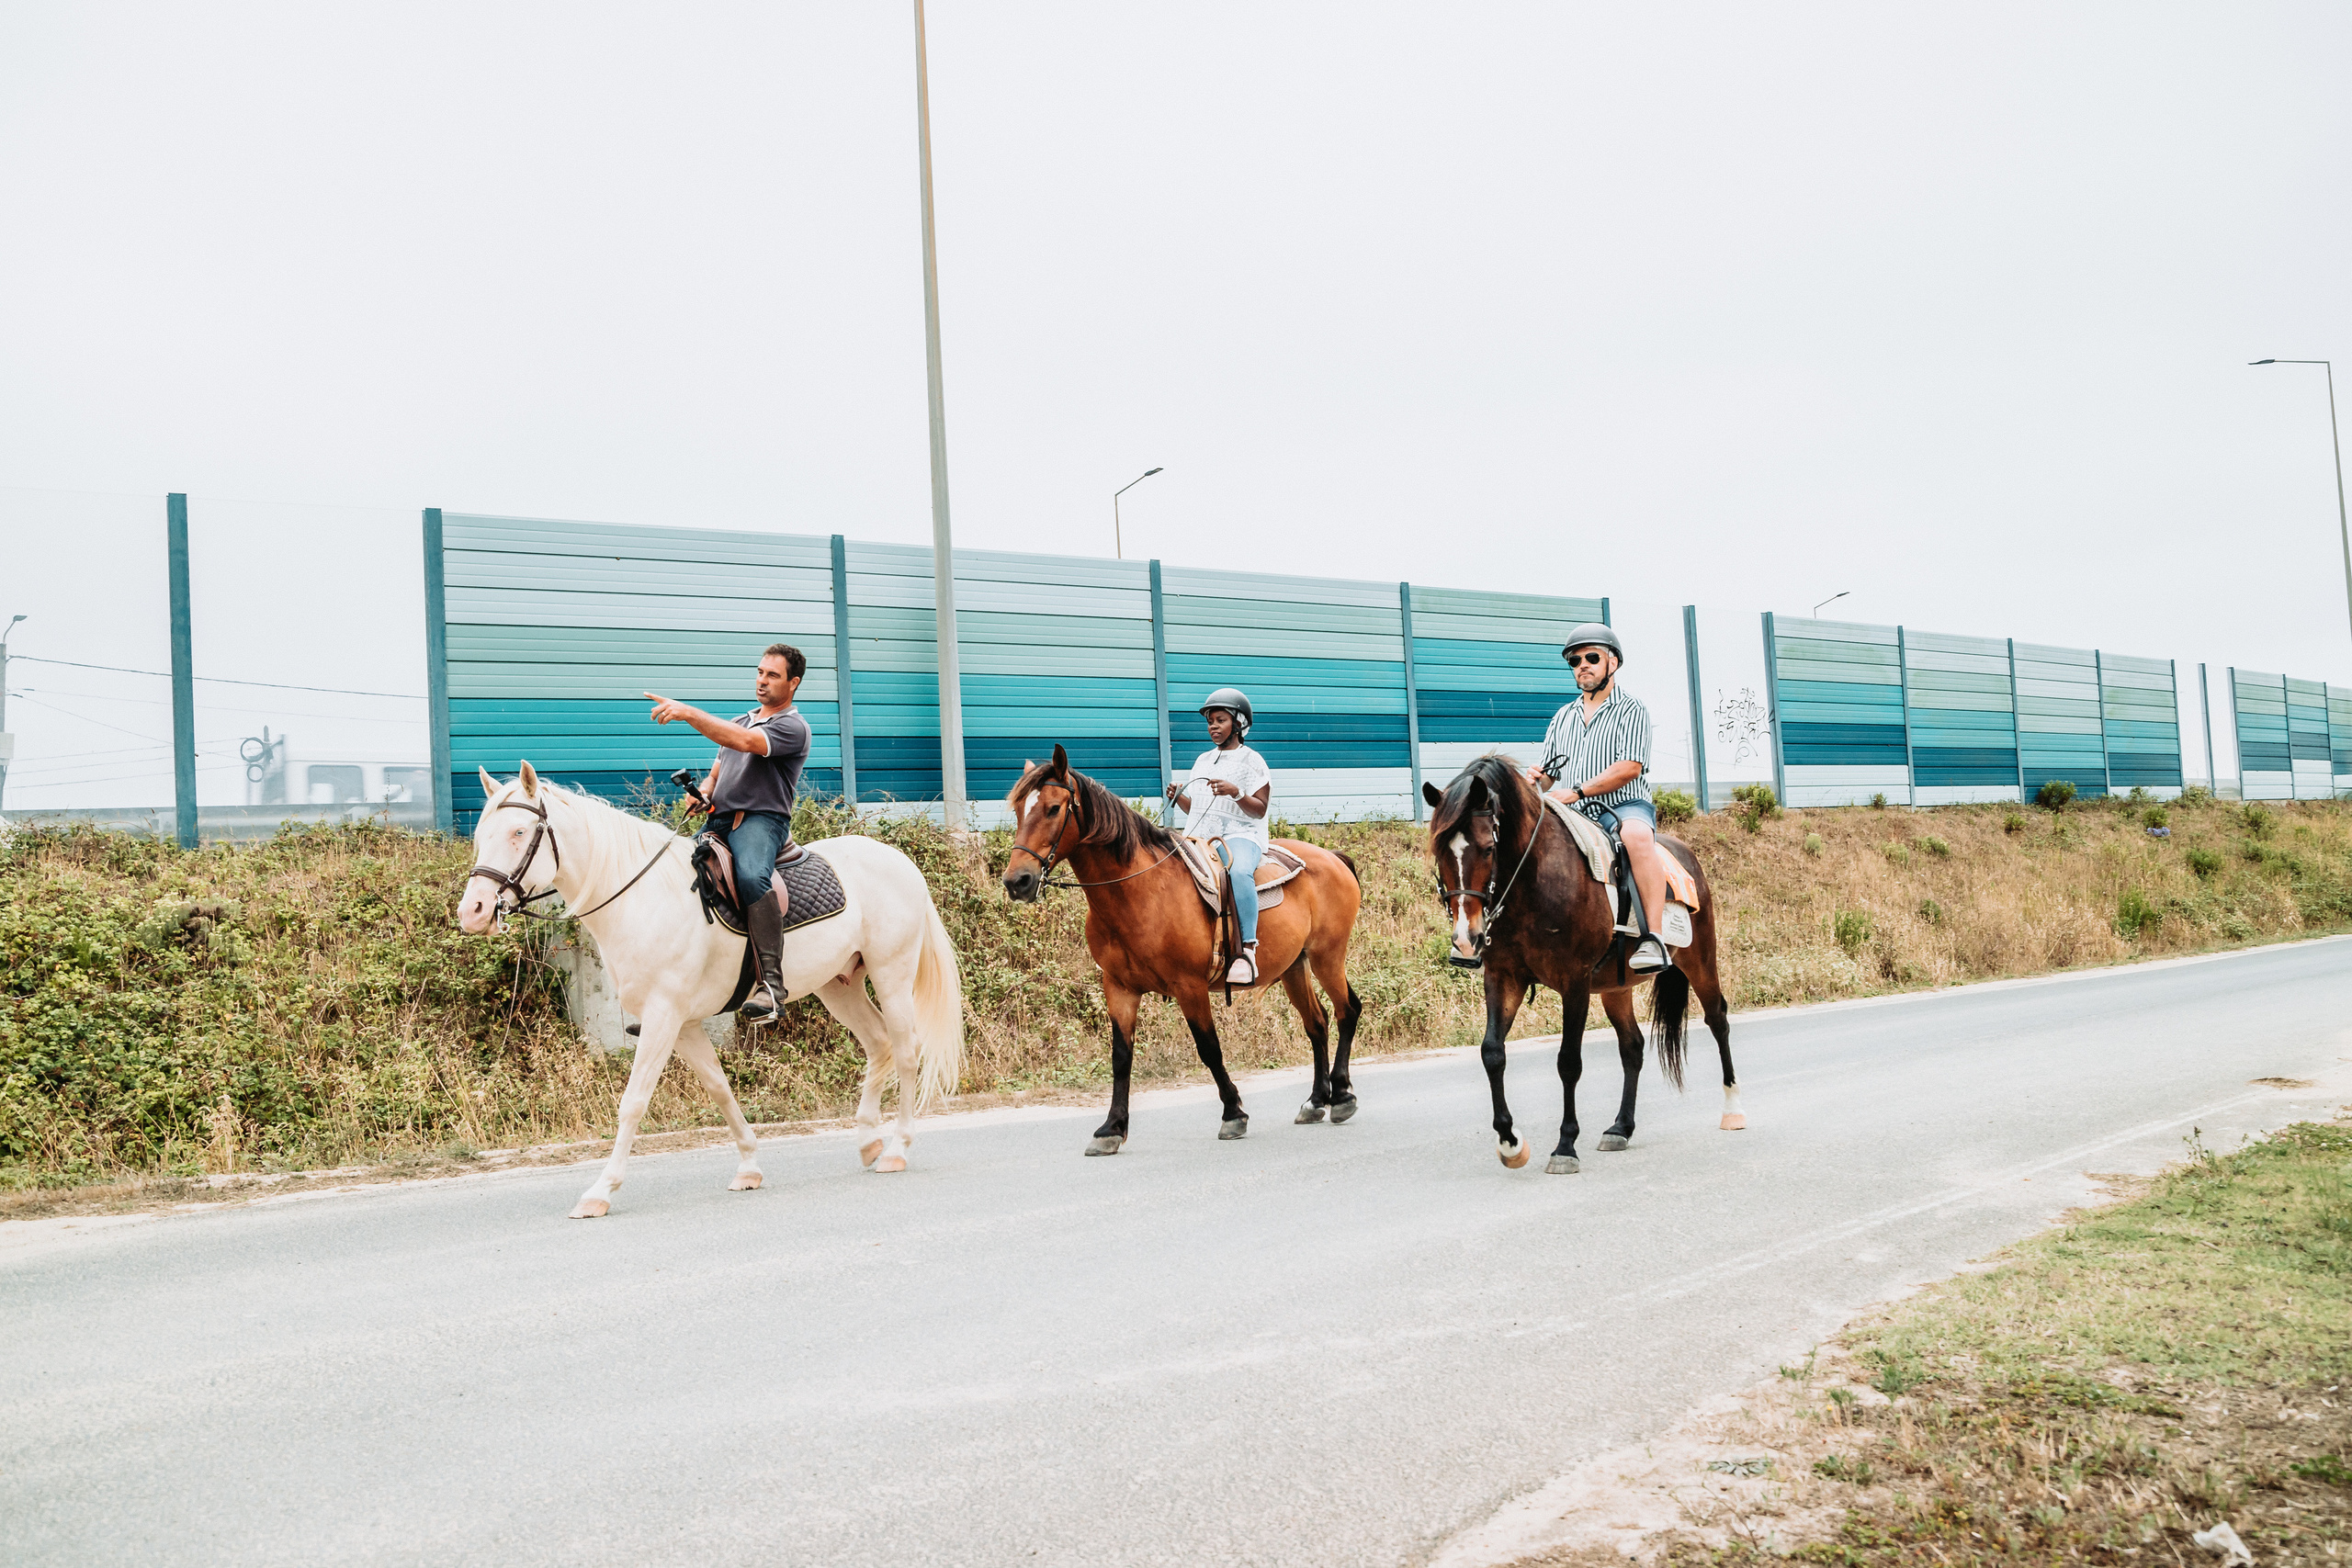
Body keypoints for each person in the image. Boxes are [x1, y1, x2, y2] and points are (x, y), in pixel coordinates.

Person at [645, 643, 812, 1020]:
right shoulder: (740, 720)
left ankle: (772, 987)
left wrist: (688, 713)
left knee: (753, 877)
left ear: (793, 683)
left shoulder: (793, 727)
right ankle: (670, 991)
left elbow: (745, 744)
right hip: (718, 821)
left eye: (773, 675)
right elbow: (718, 773)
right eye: (759, 672)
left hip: (760, 821)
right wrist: (703, 793)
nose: (762, 681)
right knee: (673, 879)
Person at [1531, 624, 1672, 974]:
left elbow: (1630, 767)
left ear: (1614, 662)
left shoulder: (1631, 709)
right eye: (1575, 660)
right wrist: (1536, 781)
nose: (1583, 665)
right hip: (1573, 811)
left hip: (1624, 806)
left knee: (1637, 837)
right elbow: (1550, 774)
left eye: (1592, 657)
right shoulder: (1563, 717)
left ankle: (1653, 938)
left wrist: (1577, 791)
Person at [1165, 687, 1272, 985]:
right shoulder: (1203, 760)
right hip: (1200, 836)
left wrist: (1236, 792)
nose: (1213, 726)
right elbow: (1199, 810)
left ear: (1238, 723)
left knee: (1237, 873)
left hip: (1241, 834)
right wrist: (1179, 798)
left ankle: (1247, 951)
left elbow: (1260, 810)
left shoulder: (1253, 761)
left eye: (1220, 720)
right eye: (1210, 721)